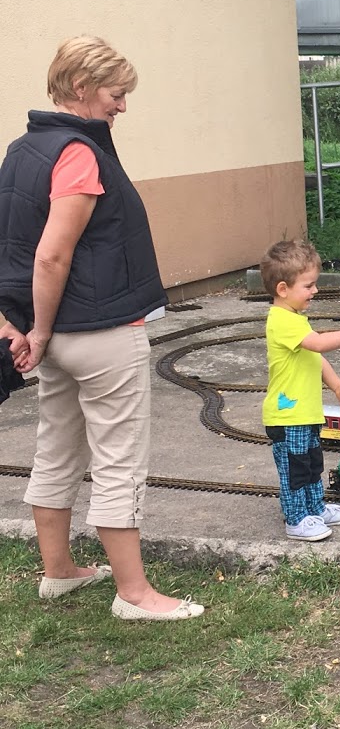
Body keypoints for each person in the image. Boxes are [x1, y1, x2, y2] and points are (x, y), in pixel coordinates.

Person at [0, 36, 204, 620]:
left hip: (57, 337)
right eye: (117, 95)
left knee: (56, 447)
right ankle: (135, 594)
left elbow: (10, 247)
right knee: (119, 458)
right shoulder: (78, 153)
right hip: (97, 328)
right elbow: (49, 256)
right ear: (84, 88)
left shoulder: (22, 149)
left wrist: (25, 327)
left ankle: (59, 571)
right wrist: (35, 329)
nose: (122, 107)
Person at [261, 239, 340, 541]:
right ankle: (296, 518)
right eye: (308, 286)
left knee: (311, 463)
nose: (314, 291)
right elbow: (319, 344)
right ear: (283, 289)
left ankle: (315, 507)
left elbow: (314, 356)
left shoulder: (296, 319)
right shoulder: (282, 321)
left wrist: (337, 386)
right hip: (288, 416)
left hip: (304, 412)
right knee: (294, 469)